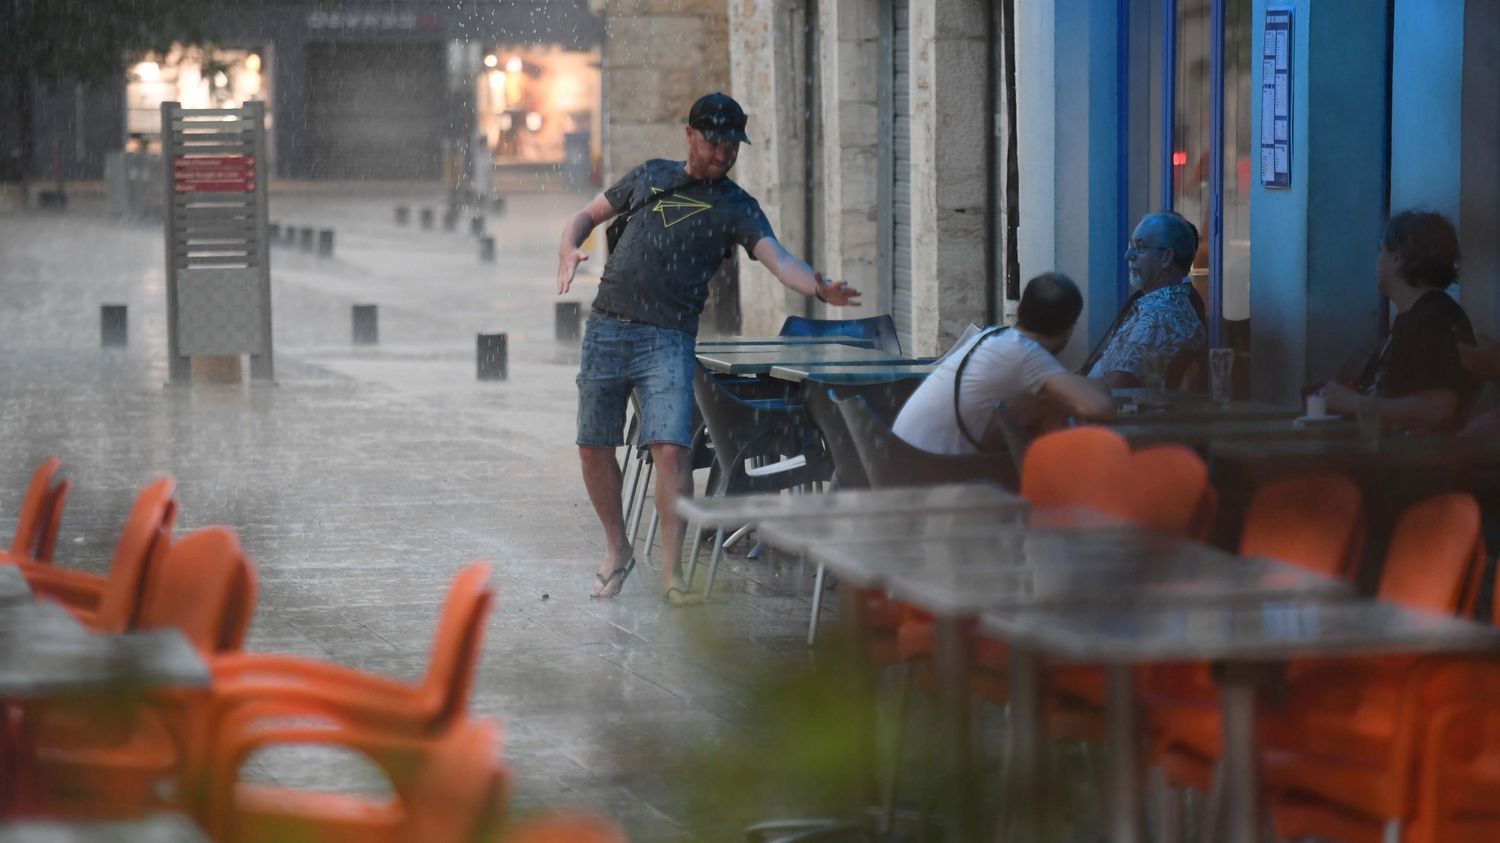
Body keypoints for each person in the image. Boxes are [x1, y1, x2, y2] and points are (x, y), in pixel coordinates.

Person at [555, 92, 861, 605]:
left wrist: (817, 285)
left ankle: (673, 574)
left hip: (669, 337)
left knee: (672, 451)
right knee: (593, 446)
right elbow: (585, 217)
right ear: (691, 135)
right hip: (607, 326)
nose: (723, 154)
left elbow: (778, 259)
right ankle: (617, 548)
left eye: (732, 145)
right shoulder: (649, 175)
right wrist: (569, 247)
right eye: (715, 141)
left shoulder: (736, 206)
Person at [893, 273, 1113, 455]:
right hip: (930, 470)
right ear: (1070, 330)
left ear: (1018, 311)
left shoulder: (993, 337)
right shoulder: (1025, 355)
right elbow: (1097, 406)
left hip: (902, 457)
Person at [1321, 210, 1475, 432]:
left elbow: (1438, 411)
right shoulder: (1421, 316)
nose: (1377, 261)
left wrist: (1352, 403)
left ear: (1396, 257)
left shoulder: (1432, 321)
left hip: (1406, 463)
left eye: (1381, 251)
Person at [1081, 212, 1207, 388]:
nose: (1128, 255)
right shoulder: (1158, 306)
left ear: (1166, 258)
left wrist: (1057, 386)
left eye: (1140, 247)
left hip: (1114, 412)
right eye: (1131, 245)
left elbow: (1118, 386)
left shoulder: (1161, 315)